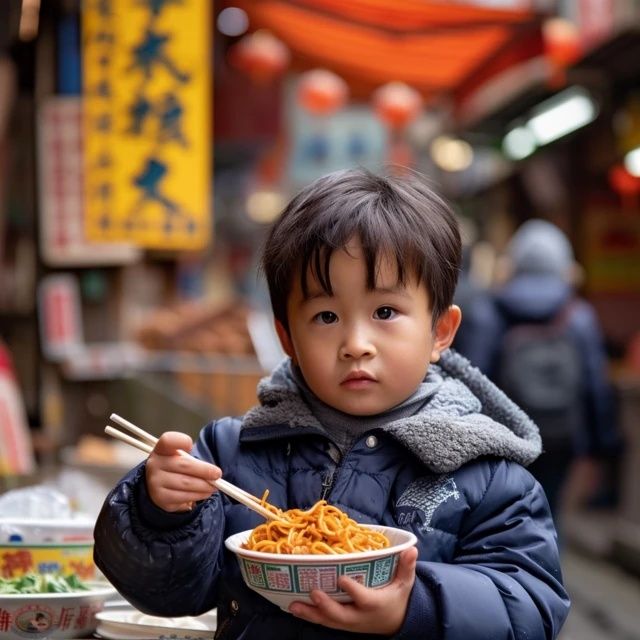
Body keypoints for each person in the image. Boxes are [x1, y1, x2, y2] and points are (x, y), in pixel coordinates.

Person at [93, 169, 570, 639]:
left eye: (385, 312)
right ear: (287, 337)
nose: (356, 343)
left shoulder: (488, 474)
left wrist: (415, 606)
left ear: (440, 331)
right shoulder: (230, 455)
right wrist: (159, 511)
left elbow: (530, 606)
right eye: (325, 316)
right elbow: (168, 595)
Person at [458, 219, 618, 523]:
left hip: (507, 436)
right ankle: (551, 564)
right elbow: (596, 386)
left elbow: (473, 380)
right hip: (563, 437)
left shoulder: (490, 311)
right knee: (551, 511)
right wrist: (602, 444)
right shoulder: (578, 316)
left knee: (506, 515)